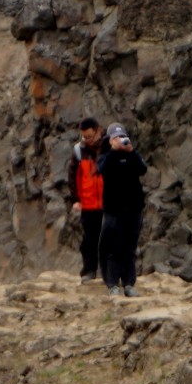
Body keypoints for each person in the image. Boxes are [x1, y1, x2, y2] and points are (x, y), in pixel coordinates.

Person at [97, 122, 148, 296]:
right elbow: (102, 169)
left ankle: (129, 284)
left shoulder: (132, 155)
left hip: (133, 209)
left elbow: (143, 169)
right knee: (113, 248)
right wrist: (113, 150)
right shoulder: (105, 157)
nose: (121, 140)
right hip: (113, 210)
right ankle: (112, 284)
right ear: (110, 140)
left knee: (129, 248)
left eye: (123, 136)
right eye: (117, 137)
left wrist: (131, 151)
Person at [66, 118, 108, 282]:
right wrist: (76, 199)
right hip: (88, 204)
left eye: (90, 136)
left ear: (98, 130)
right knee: (89, 240)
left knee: (109, 239)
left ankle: (109, 274)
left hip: (108, 202)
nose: (87, 140)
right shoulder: (79, 150)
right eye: (85, 137)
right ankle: (89, 271)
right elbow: (72, 176)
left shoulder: (110, 146)